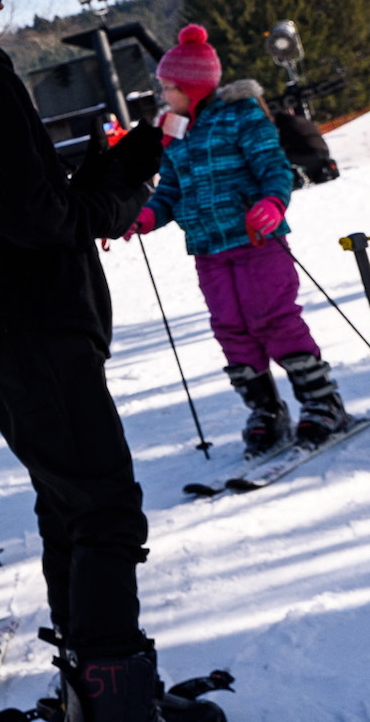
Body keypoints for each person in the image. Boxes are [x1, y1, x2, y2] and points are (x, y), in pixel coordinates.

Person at [0, 0, 220, 721]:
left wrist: (143, 145)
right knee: (103, 505)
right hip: (30, 322)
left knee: (68, 501)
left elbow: (17, 201)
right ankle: (114, 701)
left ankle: (91, 691)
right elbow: (38, 216)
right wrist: (108, 201)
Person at [128, 26, 353, 454]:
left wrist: (273, 202)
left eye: (169, 88)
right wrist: (146, 216)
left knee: (274, 320)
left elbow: (274, 167)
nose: (163, 96)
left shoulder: (242, 115)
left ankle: (324, 404)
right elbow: (171, 189)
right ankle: (266, 411)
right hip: (208, 250)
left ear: (192, 88)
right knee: (230, 328)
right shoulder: (174, 130)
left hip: (257, 242)